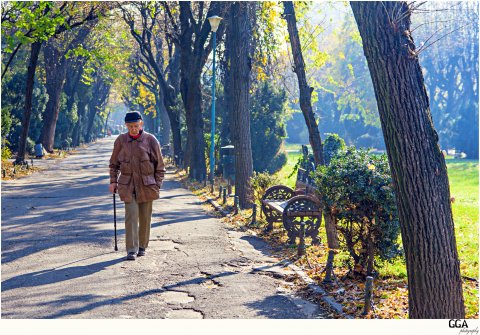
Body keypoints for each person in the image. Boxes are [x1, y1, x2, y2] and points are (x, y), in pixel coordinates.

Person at [109, 111, 166, 260]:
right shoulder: (120, 141)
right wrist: (113, 181)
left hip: (147, 186)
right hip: (127, 186)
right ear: (126, 126)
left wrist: (157, 185)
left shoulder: (150, 140)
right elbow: (113, 164)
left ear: (141, 124)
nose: (133, 129)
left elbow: (160, 166)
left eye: (136, 125)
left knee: (145, 218)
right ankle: (131, 249)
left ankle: (142, 246)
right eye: (130, 126)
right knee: (131, 216)